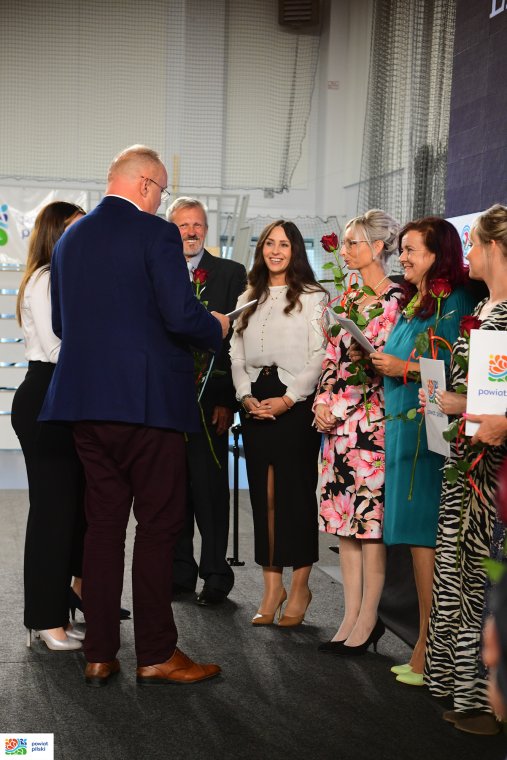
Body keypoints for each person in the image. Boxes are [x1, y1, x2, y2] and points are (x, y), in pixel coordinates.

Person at [39, 145, 230, 687]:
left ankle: (100, 652)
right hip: (149, 405)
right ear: (145, 184)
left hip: (86, 403)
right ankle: (156, 653)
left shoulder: (71, 238)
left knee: (102, 529)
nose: (162, 201)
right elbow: (180, 314)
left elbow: (61, 322)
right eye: (162, 191)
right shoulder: (156, 233)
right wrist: (215, 326)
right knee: (158, 526)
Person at [370, 217, 476, 685]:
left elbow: (451, 368)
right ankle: (426, 643)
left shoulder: (456, 300)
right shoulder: (417, 299)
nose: (403, 257)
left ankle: (428, 649)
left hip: (430, 432)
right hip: (403, 427)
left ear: (438, 254)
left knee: (425, 539)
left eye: (411, 249)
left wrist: (402, 367)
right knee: (415, 541)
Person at [423, 204, 507, 734]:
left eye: (473, 243)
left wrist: (473, 408)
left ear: (496, 247)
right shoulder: (482, 306)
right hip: (467, 464)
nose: (467, 253)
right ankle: (462, 687)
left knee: (485, 580)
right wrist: (442, 399)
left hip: (494, 472)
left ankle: (487, 699)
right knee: (460, 574)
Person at [313, 209, 402, 655]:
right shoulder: (346, 296)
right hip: (338, 427)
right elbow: (330, 358)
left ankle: (369, 618)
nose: (345, 250)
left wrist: (342, 400)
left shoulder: (397, 300)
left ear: (378, 247)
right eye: (345, 242)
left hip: (373, 425)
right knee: (344, 525)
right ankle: (349, 616)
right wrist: (320, 403)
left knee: (369, 526)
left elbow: (387, 367)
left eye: (353, 242)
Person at [230, 220, 327, 626]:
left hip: (295, 404)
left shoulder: (314, 296)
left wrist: (289, 399)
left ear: (295, 251)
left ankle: (300, 585)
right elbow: (235, 354)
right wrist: (244, 395)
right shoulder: (247, 297)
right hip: (255, 401)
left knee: (295, 495)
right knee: (264, 497)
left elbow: (320, 354)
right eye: (269, 243)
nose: (275, 250)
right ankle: (273, 588)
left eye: (284, 244)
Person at [11, 201, 86, 652]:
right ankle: (44, 620)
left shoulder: (63, 277)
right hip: (46, 395)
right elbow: (60, 348)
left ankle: (55, 611)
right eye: (75, 230)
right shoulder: (44, 279)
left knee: (67, 514)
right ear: (55, 235)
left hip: (62, 396)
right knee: (52, 516)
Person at [166, 197, 247, 606]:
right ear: (172, 229)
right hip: (166, 403)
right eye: (183, 225)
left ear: (207, 230)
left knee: (211, 491)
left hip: (210, 402)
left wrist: (226, 399)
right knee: (172, 491)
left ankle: (216, 573)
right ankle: (180, 573)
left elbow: (237, 342)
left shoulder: (231, 274)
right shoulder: (158, 270)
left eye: (197, 224)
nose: (191, 231)